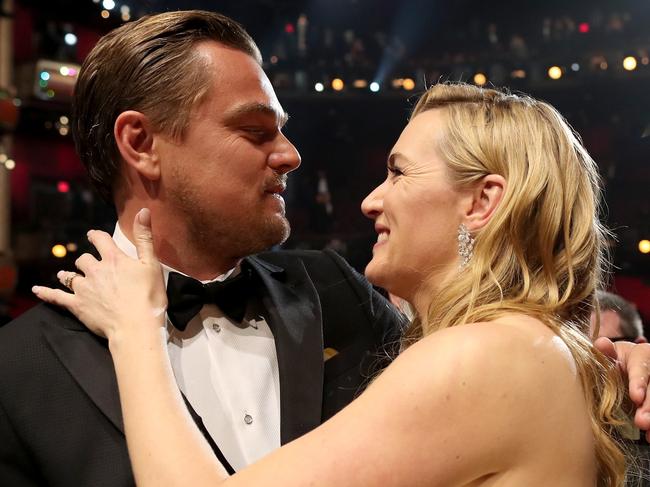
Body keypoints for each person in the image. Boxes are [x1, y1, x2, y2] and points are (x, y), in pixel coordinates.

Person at [33, 82, 650, 486]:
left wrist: (137, 329)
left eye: (399, 173)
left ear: (483, 200)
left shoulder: (484, 354)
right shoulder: (533, 349)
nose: (370, 200)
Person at [0, 11, 402, 486]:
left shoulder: (336, 289)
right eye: (255, 131)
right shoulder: (17, 368)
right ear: (141, 143)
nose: (290, 155)